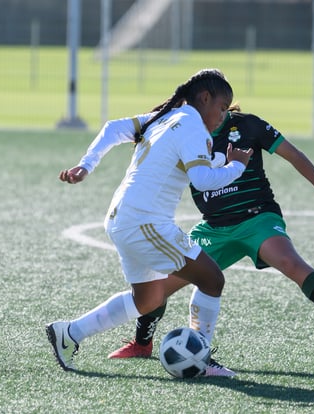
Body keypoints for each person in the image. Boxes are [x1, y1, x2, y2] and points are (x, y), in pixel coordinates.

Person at [107, 106, 314, 374]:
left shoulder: (248, 125)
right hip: (213, 229)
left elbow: (294, 155)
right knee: (157, 286)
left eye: (222, 105)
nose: (216, 112)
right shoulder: (185, 133)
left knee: (289, 262)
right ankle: (142, 343)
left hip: (257, 219)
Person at [45, 69, 254, 376]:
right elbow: (202, 179)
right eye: (222, 107)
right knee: (212, 279)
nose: (223, 116)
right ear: (205, 98)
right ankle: (202, 359)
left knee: (148, 298)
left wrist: (86, 165)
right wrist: (236, 166)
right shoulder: (191, 124)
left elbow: (113, 128)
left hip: (121, 218)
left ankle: (70, 332)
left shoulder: (165, 118)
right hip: (145, 222)